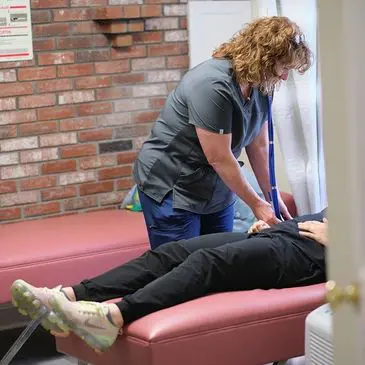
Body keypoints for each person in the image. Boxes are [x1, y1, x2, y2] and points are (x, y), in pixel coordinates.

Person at [11, 210, 328, 353]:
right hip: (287, 233)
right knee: (172, 252)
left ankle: (113, 317)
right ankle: (71, 296)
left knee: (207, 264)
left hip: (313, 255)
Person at [132, 16, 313, 248]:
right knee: (180, 268)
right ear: (264, 59)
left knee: (218, 263)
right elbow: (219, 156)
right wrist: (256, 204)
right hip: (172, 186)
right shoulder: (212, 85)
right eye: (284, 67)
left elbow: (257, 145)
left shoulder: (263, 84)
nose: (285, 76)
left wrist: (271, 195)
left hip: (215, 188)